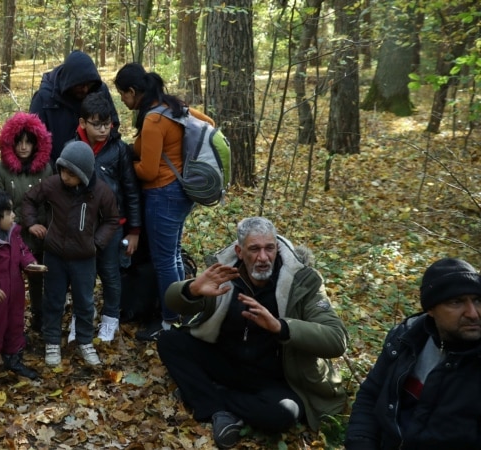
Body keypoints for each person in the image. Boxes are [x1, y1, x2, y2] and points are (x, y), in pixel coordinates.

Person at [157, 217, 348, 449]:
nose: (263, 258)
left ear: (277, 248)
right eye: (254, 249)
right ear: (239, 251)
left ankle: (208, 397)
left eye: (269, 248)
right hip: (227, 362)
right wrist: (192, 290)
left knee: (284, 414)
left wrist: (281, 327)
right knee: (169, 340)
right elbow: (172, 301)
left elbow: (337, 339)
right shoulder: (225, 273)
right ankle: (219, 408)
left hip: (275, 378)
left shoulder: (302, 281)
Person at [113, 62, 215, 341]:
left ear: (133, 91)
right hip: (182, 192)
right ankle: (181, 311)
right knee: (172, 254)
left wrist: (122, 166)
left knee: (164, 261)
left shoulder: (153, 119)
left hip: (163, 194)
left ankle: (169, 322)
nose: (123, 100)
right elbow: (209, 123)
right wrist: (183, 159)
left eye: (123, 94)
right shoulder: (173, 106)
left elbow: (147, 170)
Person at [345, 258, 481, 449]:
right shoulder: (405, 340)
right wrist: (361, 443)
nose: (473, 313)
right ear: (431, 310)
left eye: (477, 300)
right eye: (456, 302)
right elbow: (371, 395)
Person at [21, 141, 119, 367]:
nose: (65, 177)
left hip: (85, 258)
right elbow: (29, 200)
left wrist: (97, 242)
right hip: (55, 254)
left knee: (84, 302)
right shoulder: (52, 185)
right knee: (53, 299)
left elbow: (112, 219)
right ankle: (52, 341)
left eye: (71, 173)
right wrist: (32, 224)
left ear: (83, 174)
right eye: (62, 170)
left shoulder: (101, 192)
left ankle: (85, 341)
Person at [66, 92, 141, 342]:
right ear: (83, 122)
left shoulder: (119, 150)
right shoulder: (73, 147)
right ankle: (82, 316)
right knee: (82, 273)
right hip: (82, 224)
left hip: (114, 224)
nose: (103, 129)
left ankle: (110, 319)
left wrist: (134, 230)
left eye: (107, 123)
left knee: (110, 273)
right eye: (96, 124)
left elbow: (131, 190)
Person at [0, 111, 53, 333]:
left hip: (40, 234)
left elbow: (50, 201)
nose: (24, 147)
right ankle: (9, 322)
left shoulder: (45, 169)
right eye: (19, 142)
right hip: (11, 236)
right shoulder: (0, 170)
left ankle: (39, 316)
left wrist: (42, 225)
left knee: (39, 278)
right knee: (11, 282)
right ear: (10, 142)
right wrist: (27, 221)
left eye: (29, 142)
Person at [0, 190, 45, 381]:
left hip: (15, 294)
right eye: (8, 212)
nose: (13, 215)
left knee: (15, 326)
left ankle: (13, 359)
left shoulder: (13, 233)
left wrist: (30, 263)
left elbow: (22, 251)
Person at [29, 50, 120, 164]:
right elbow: (33, 138)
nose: (85, 89)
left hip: (97, 165)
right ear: (69, 82)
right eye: (80, 86)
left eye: (89, 85)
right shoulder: (45, 98)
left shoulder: (99, 90)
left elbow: (113, 124)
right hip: (58, 168)